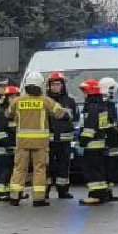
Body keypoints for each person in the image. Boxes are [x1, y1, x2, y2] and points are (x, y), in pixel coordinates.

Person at [6, 72, 70, 206]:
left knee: (19, 169)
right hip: (40, 143)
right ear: (41, 85)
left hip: (22, 142)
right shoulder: (44, 100)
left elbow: (8, 114)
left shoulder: (18, 100)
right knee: (39, 169)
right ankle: (39, 198)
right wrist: (66, 114)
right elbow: (59, 113)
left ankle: (14, 196)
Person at [78, 79, 117, 206]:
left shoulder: (92, 107)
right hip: (99, 143)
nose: (83, 94)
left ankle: (96, 195)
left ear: (90, 92)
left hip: (92, 144)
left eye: (84, 91)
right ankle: (102, 193)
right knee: (98, 169)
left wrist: (83, 140)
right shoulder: (99, 105)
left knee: (92, 170)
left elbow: (90, 127)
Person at [46, 71, 78, 199]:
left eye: (58, 84)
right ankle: (45, 190)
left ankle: (63, 191)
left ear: (62, 85)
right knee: (47, 166)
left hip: (65, 141)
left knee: (64, 166)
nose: (55, 87)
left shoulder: (70, 101)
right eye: (53, 84)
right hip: (48, 140)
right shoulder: (45, 101)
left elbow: (75, 119)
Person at [0, 84, 20, 201]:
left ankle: (9, 192)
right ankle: (0, 193)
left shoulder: (17, 113)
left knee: (12, 171)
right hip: (5, 148)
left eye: (15, 97)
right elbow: (0, 133)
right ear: (6, 98)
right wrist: (8, 145)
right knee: (4, 170)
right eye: (11, 97)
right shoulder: (1, 113)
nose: (14, 99)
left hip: (16, 148)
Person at [98, 76, 118, 192]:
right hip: (105, 141)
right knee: (106, 166)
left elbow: (114, 123)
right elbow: (104, 125)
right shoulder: (101, 105)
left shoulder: (110, 105)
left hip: (113, 141)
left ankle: (110, 189)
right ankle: (106, 189)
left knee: (114, 166)